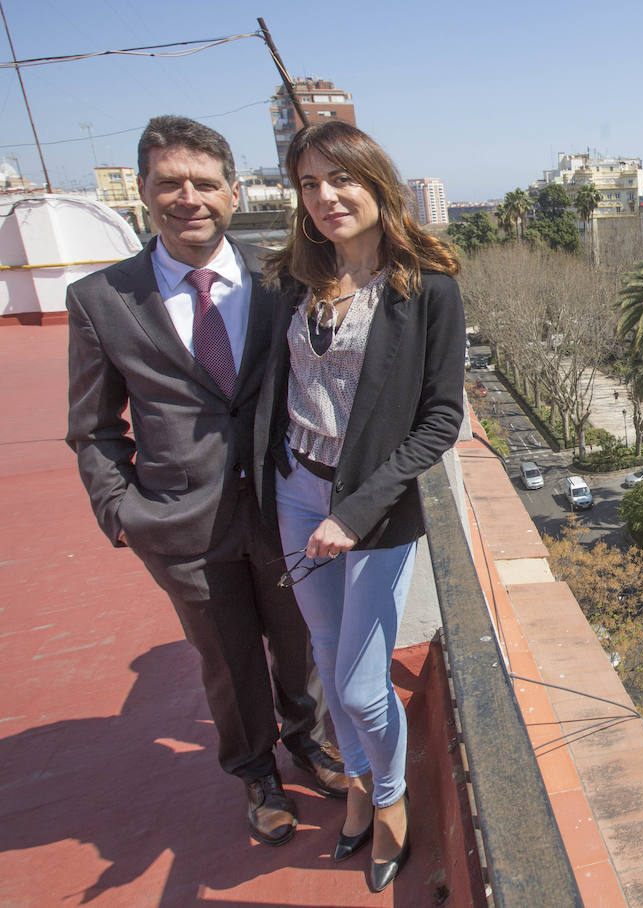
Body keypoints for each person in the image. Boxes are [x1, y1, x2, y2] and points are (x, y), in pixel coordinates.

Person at [66, 115, 346, 847]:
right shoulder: (103, 300)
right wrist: (120, 511)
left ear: (230, 192)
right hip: (181, 524)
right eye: (170, 183)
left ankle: (308, 743)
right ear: (143, 192)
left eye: (205, 182)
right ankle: (256, 772)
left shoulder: (281, 280)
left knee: (299, 643)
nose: (188, 197)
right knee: (225, 658)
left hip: (284, 509)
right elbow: (94, 427)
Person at [256, 120, 464, 893]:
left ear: (378, 183)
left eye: (340, 179)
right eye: (308, 184)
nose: (325, 198)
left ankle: (389, 799)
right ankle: (354, 786)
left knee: (357, 685)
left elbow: (441, 418)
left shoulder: (427, 287)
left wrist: (357, 509)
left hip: (371, 510)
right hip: (293, 491)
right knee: (321, 652)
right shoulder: (291, 279)